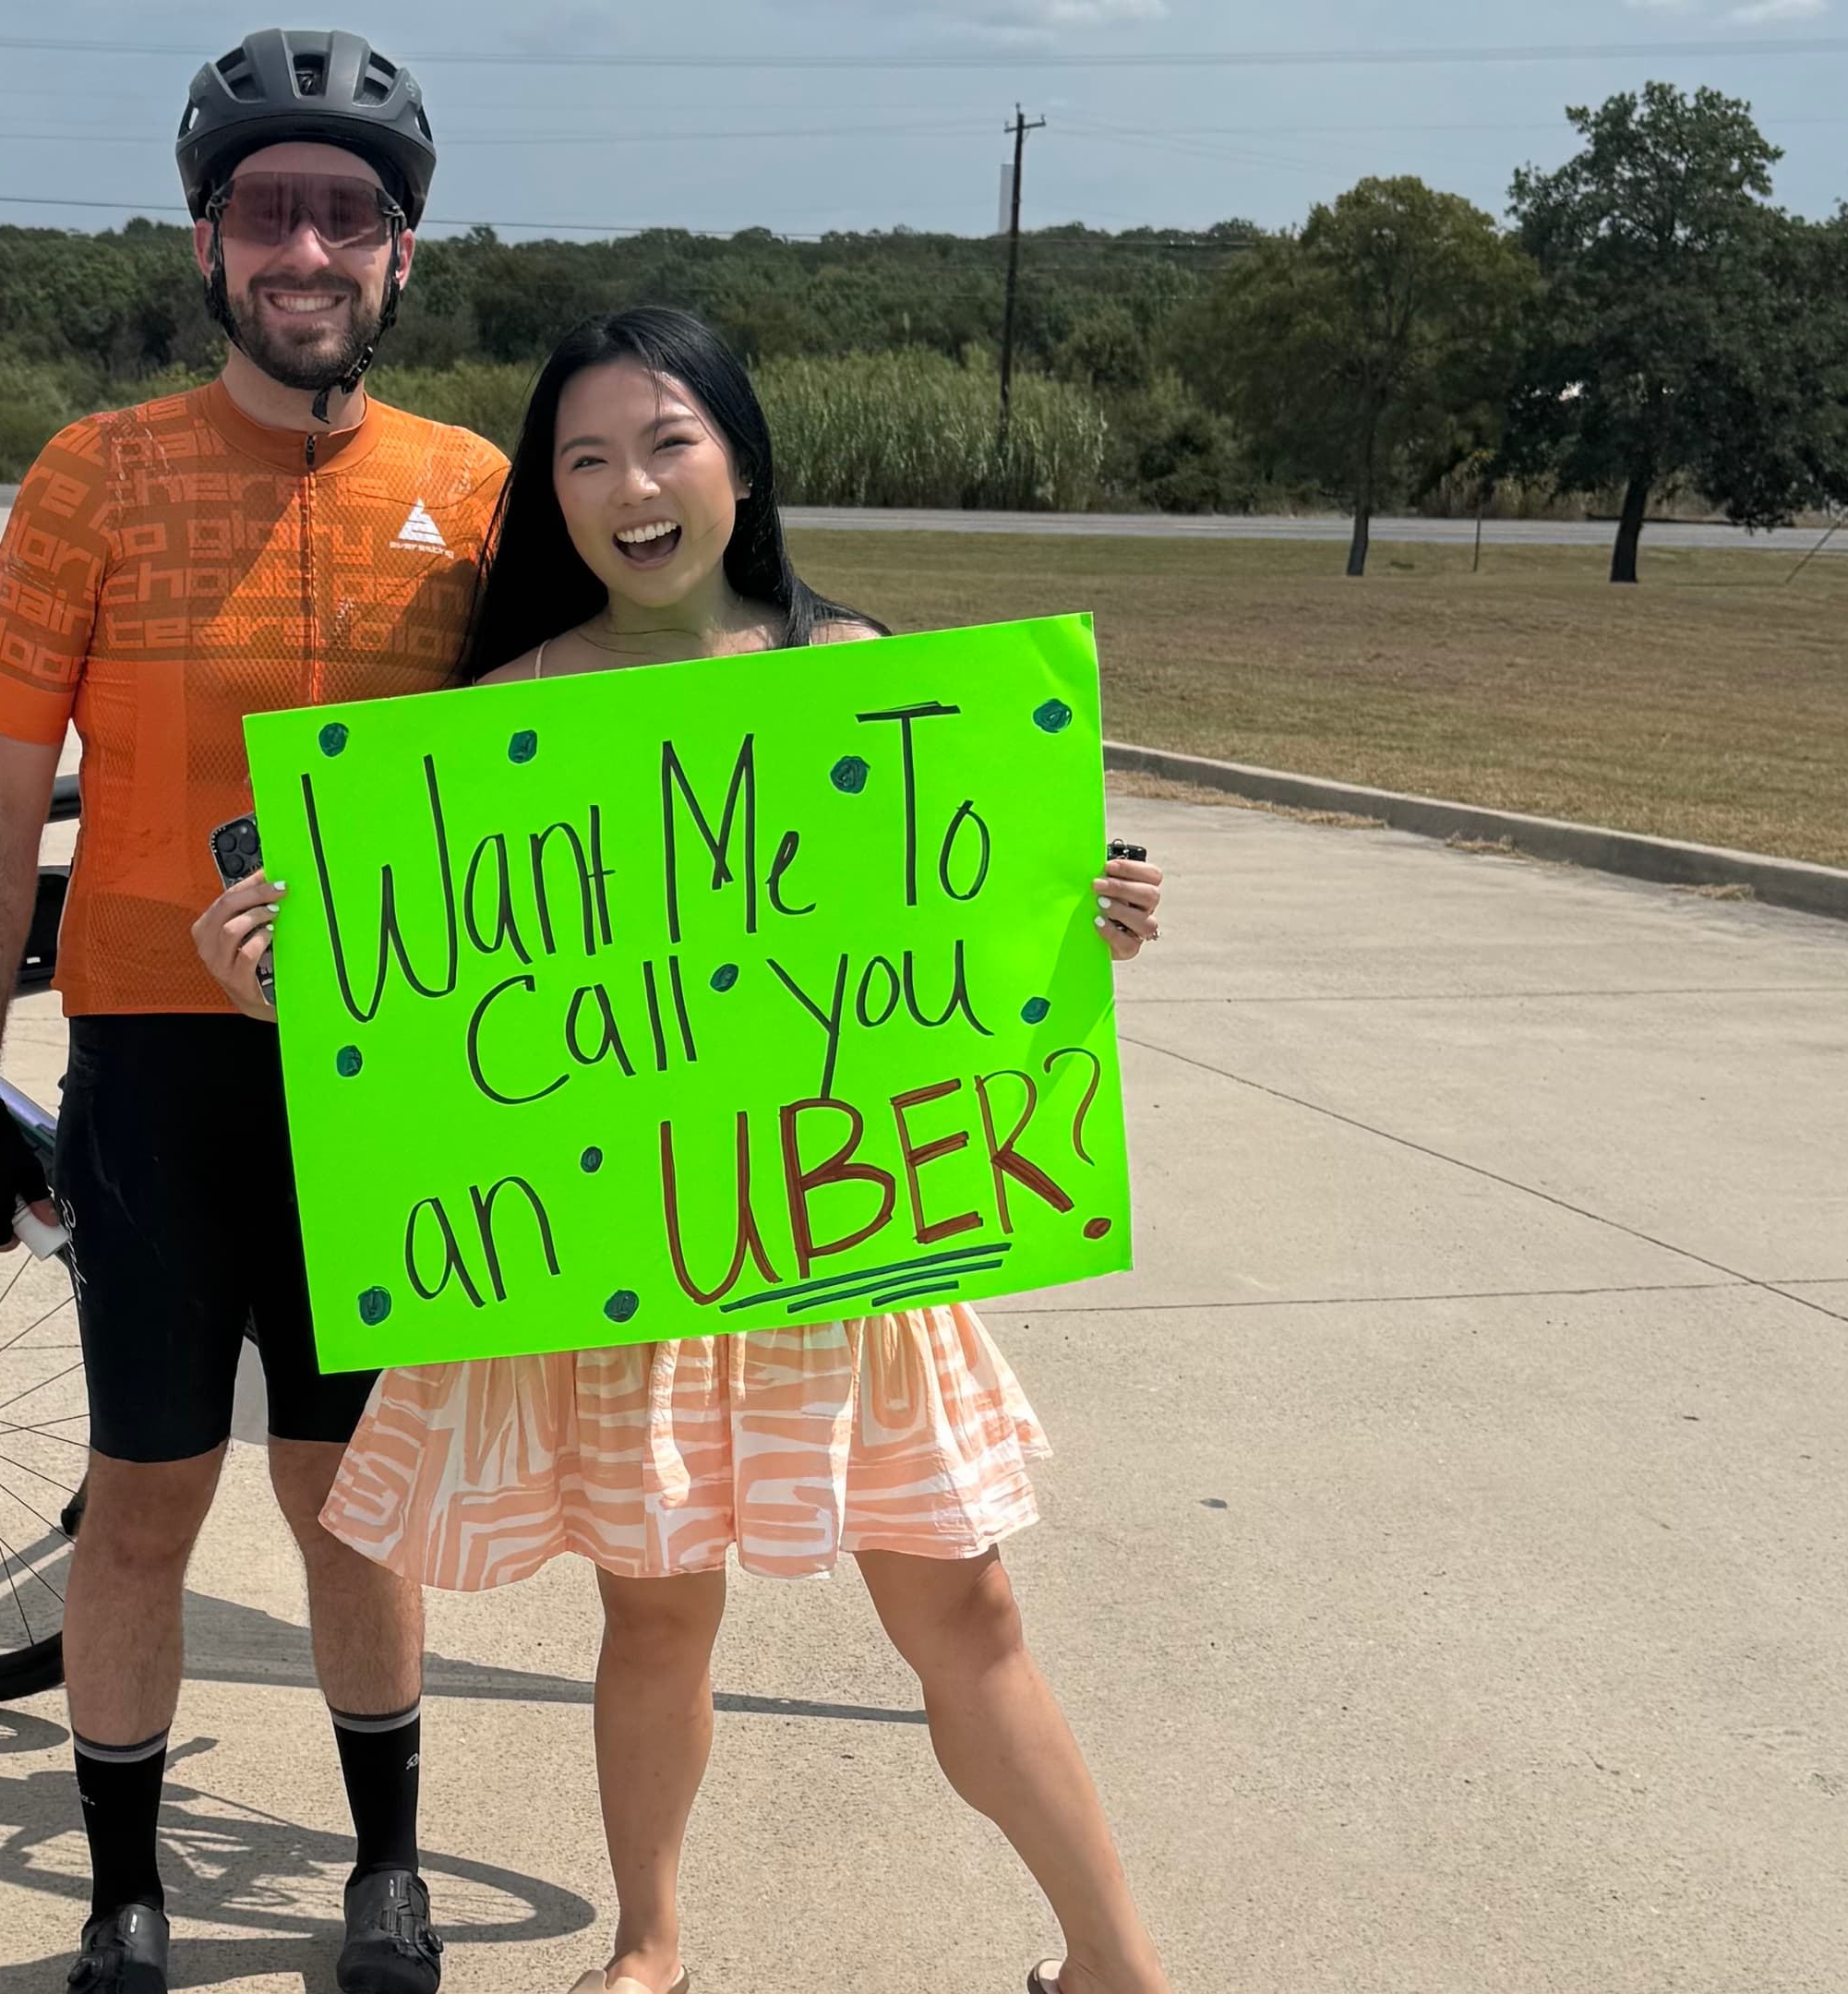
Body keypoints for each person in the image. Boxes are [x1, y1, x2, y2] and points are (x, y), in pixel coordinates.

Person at [188, 306, 1177, 1994]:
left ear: (741, 461)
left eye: (666, 443)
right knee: (654, 1617)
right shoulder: (498, 716)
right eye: (584, 459)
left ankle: (1117, 1969)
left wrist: (1088, 920)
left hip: (846, 1236)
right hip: (628, 1264)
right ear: (552, 498)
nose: (631, 489)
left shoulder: (858, 674)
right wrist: (272, 978)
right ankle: (649, 1951)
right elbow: (433, 1014)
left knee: (970, 1613)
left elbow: (963, 940)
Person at [0, 29, 505, 1994]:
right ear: (206, 240)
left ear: (404, 251)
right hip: (160, 1078)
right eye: (269, 209)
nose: (306, 249)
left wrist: (1009, 853)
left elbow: (664, 719)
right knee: (144, 1503)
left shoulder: (475, 496)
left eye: (348, 212)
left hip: (391, 1086)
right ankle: (121, 1893)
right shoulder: (93, 479)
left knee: (351, 1506)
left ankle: (387, 1872)